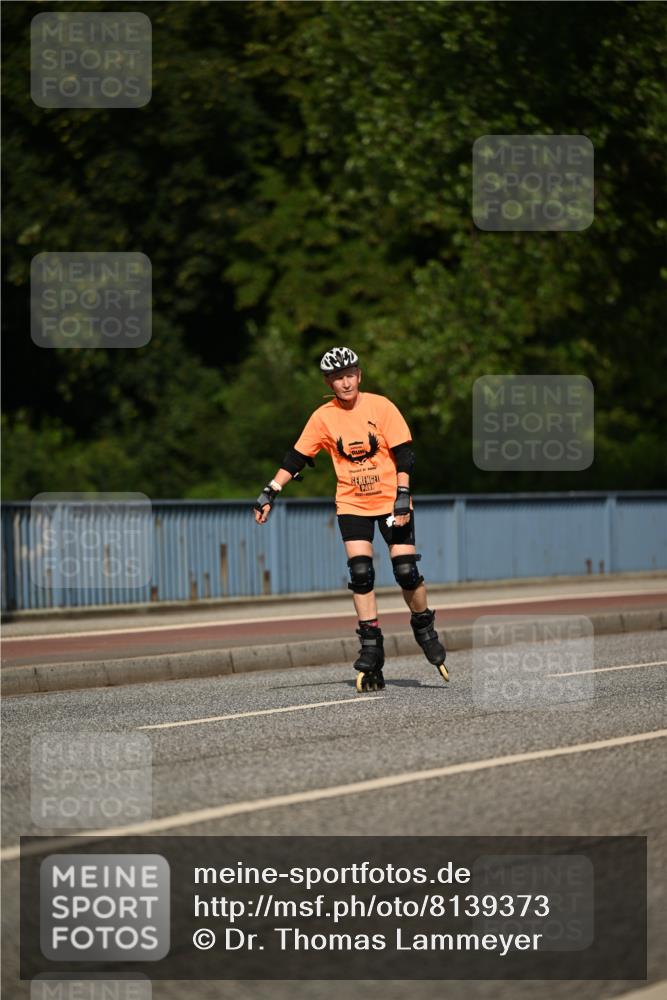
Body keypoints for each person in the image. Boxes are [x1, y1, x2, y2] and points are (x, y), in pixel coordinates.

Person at [253, 346, 447, 692]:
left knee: (406, 571)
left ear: (359, 375)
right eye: (337, 378)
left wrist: (403, 495)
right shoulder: (323, 417)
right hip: (352, 504)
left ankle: (423, 624)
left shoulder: (381, 406)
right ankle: (371, 646)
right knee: (361, 573)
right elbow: (297, 457)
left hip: (391, 502)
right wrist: (270, 491)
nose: (345, 382)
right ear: (329, 381)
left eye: (350, 375)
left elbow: (404, 455)